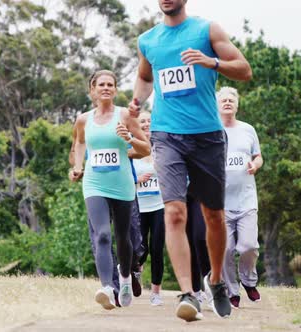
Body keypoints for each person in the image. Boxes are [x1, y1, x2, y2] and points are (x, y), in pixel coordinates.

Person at [128, 0, 252, 321]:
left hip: (207, 135)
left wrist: (211, 62)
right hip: (166, 134)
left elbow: (244, 69)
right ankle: (187, 293)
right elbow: (145, 77)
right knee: (174, 212)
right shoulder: (148, 40)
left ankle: (216, 281)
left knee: (214, 215)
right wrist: (137, 99)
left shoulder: (205, 30)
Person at [70, 70, 150, 310]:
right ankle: (107, 287)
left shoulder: (125, 115)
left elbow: (145, 149)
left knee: (123, 238)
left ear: (115, 90)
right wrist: (77, 165)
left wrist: (130, 138)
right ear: (92, 90)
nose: (106, 88)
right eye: (101, 85)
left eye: (110, 85)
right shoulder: (83, 119)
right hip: (94, 183)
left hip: (122, 184)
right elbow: (79, 143)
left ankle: (125, 277)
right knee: (102, 234)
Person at [217, 86, 263, 309]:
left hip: (246, 200)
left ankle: (248, 280)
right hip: (221, 203)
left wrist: (255, 165)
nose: (227, 102)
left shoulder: (247, 129)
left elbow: (258, 156)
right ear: (217, 105)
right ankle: (231, 289)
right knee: (224, 249)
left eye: (231, 100)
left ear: (237, 105)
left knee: (248, 246)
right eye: (223, 100)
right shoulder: (212, 130)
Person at [132, 111, 166, 306]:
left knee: (157, 248)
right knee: (139, 249)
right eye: (142, 121)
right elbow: (122, 174)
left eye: (148, 121)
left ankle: (155, 293)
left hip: (160, 205)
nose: (145, 124)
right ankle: (134, 271)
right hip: (139, 206)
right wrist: (137, 179)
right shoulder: (132, 149)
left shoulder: (162, 148)